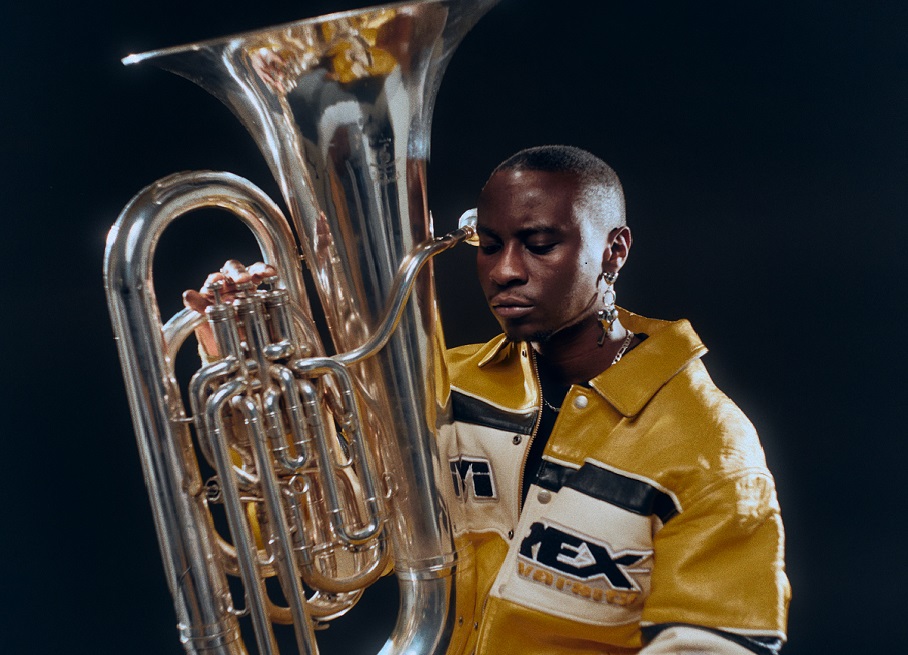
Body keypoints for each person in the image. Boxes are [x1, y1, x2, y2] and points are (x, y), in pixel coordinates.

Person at [184, 145, 790, 655]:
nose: (505, 271)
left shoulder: (709, 444)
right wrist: (260, 405)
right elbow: (332, 565)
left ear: (614, 250)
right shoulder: (443, 385)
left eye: (539, 244)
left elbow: (715, 645)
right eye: (490, 244)